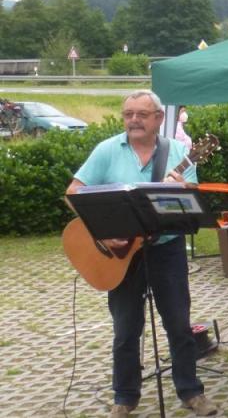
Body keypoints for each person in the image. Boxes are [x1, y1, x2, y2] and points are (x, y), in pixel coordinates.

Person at [65, 90, 218, 418]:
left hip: (166, 249)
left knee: (179, 325)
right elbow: (73, 193)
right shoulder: (107, 150)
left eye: (141, 114)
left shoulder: (178, 151)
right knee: (125, 330)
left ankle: (191, 392)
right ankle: (125, 396)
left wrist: (182, 189)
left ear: (159, 119)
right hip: (119, 255)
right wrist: (104, 232)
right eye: (128, 114)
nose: (133, 120)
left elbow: (189, 203)